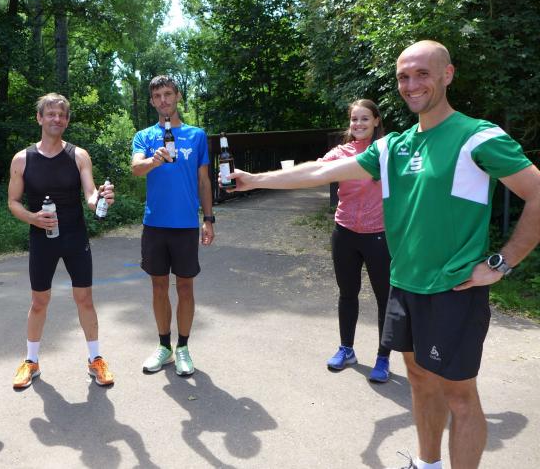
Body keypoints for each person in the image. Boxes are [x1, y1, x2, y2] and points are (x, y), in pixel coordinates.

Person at [227, 40, 540, 469]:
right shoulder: (393, 146)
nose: (411, 85)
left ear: (447, 74)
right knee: (419, 380)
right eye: (403, 77)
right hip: (403, 284)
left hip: (454, 289)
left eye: (422, 74)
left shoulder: (477, 136)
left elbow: (536, 192)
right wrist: (255, 179)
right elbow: (322, 170)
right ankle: (427, 464)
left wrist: (502, 263)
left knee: (459, 396)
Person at [8, 93, 116, 389]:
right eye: (51, 114)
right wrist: (32, 218)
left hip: (74, 235)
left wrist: (101, 199)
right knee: (39, 301)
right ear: (39, 118)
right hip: (41, 237)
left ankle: (95, 359)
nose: (56, 119)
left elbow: (90, 196)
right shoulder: (22, 159)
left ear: (67, 121)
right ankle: (31, 362)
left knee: (85, 298)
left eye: (62, 115)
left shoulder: (79, 155)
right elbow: (13, 202)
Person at [131, 75, 215, 377]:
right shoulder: (144, 136)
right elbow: (135, 168)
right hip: (155, 223)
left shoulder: (196, 135)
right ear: (152, 101)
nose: (163, 100)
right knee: (158, 286)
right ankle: (164, 346)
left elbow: (204, 181)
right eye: (157, 96)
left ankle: (183, 348)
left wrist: (208, 219)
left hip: (186, 224)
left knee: (185, 287)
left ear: (178, 96)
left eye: (168, 94)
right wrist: (153, 161)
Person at [320, 99, 392, 382]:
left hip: (379, 235)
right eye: (354, 119)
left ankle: (383, 357)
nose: (358, 124)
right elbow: (315, 170)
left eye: (364, 118)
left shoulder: (387, 151)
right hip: (345, 233)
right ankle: (346, 349)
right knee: (347, 293)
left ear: (376, 121)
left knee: (385, 298)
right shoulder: (342, 153)